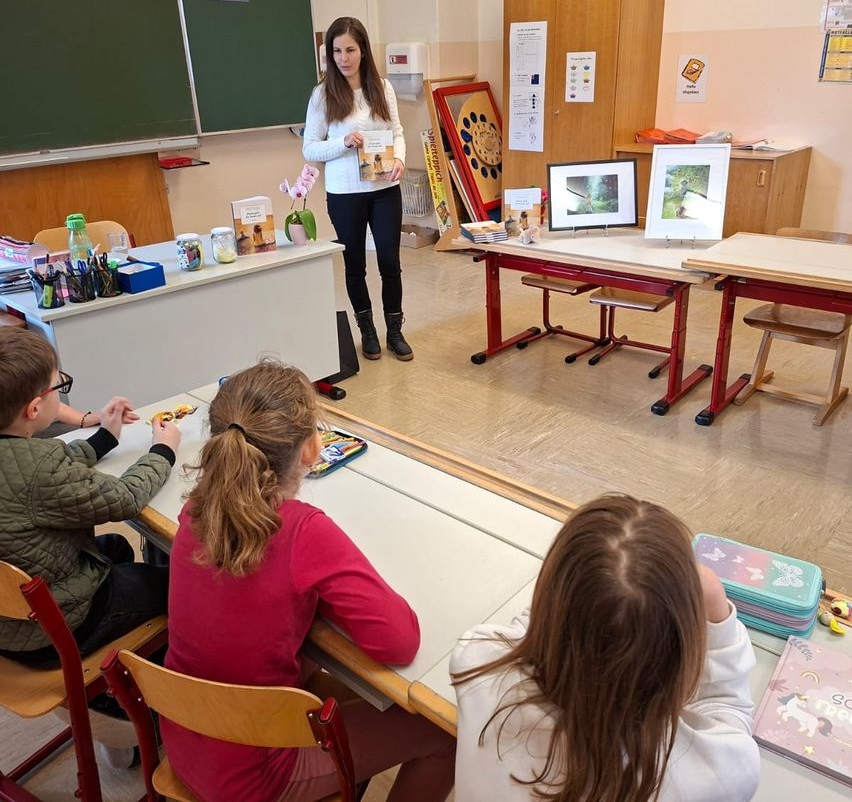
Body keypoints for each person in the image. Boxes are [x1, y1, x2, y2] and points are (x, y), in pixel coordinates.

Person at [162, 360, 455, 801]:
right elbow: (399, 642)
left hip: (185, 736)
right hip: (254, 773)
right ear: (312, 449)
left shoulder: (195, 510)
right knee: (444, 733)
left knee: (336, 677)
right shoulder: (302, 530)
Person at [451, 493, 760, 802]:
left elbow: (531, 629)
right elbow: (728, 713)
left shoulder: (474, 658)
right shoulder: (720, 775)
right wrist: (716, 607)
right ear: (678, 651)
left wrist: (578, 578)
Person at [0, 327, 181, 668]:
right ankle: (153, 679)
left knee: (115, 546)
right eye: (58, 386)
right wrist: (163, 450)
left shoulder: (23, 457)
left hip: (9, 620)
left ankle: (131, 646)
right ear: (34, 408)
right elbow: (126, 497)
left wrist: (106, 436)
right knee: (178, 584)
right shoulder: (40, 469)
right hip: (53, 632)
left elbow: (39, 470)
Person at [303, 16, 413, 362]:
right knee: (354, 265)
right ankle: (366, 330)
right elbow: (310, 148)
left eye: (350, 50)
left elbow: (397, 132)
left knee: (389, 261)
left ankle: (394, 330)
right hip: (345, 194)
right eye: (336, 51)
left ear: (363, 50)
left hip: (384, 188)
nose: (343, 58)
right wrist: (343, 142)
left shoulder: (382, 87)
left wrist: (400, 159)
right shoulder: (322, 95)